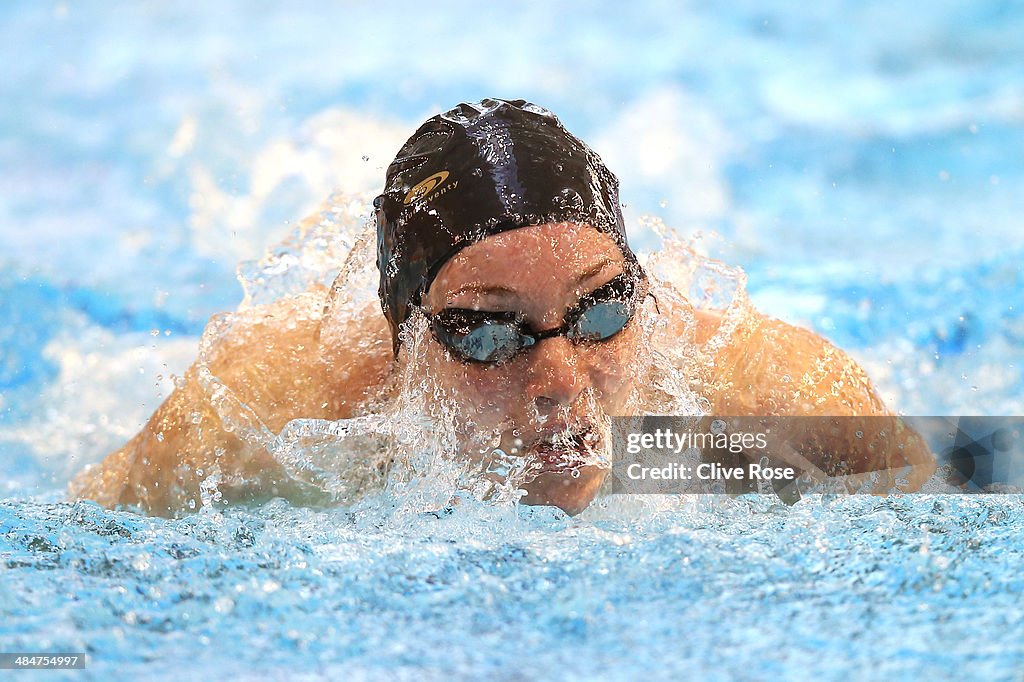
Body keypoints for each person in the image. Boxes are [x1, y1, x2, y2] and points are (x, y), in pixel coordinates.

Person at [70, 98, 936, 517]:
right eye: (488, 332)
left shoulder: (752, 403)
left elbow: (965, 497)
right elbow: (73, 535)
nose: (561, 381)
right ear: (406, 339)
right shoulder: (274, 418)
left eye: (600, 311)